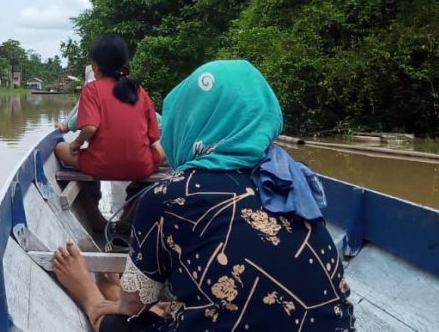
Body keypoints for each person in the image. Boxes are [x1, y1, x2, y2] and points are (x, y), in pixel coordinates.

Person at [53, 60, 355, 331]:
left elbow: (133, 306)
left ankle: (92, 298)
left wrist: (113, 302)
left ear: (188, 120)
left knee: (120, 321)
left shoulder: (167, 197)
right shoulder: (292, 181)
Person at [54, 34, 164, 181]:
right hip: (141, 168)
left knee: (60, 148)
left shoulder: (91, 89)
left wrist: (76, 143)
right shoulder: (139, 90)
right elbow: (153, 136)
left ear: (96, 66)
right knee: (162, 148)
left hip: (100, 167)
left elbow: (90, 127)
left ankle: (91, 196)